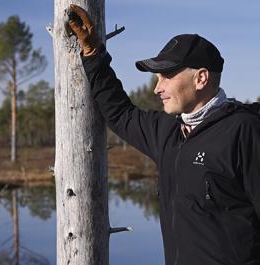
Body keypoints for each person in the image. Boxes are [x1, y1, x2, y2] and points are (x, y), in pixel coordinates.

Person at [68, 4, 260, 265]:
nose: (157, 88)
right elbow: (120, 113)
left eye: (167, 76)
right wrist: (93, 54)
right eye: (157, 78)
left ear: (201, 78)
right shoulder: (167, 132)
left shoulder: (244, 131)